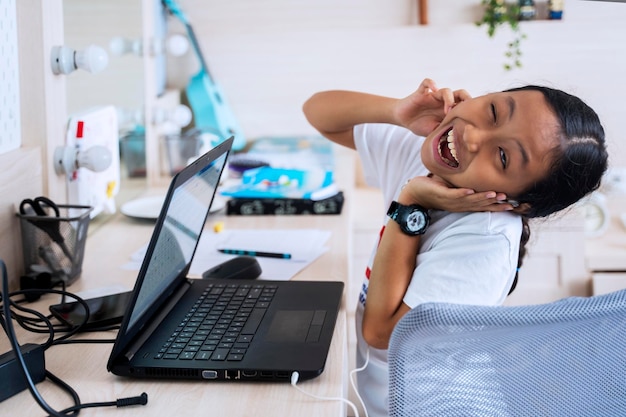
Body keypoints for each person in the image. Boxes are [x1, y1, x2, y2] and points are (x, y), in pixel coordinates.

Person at [302, 78, 608, 417]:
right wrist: (397, 112)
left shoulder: (488, 242)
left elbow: (381, 333)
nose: (473, 137)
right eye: (493, 111)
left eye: (503, 157)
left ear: (517, 204)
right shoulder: (439, 154)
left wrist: (411, 203)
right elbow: (318, 112)